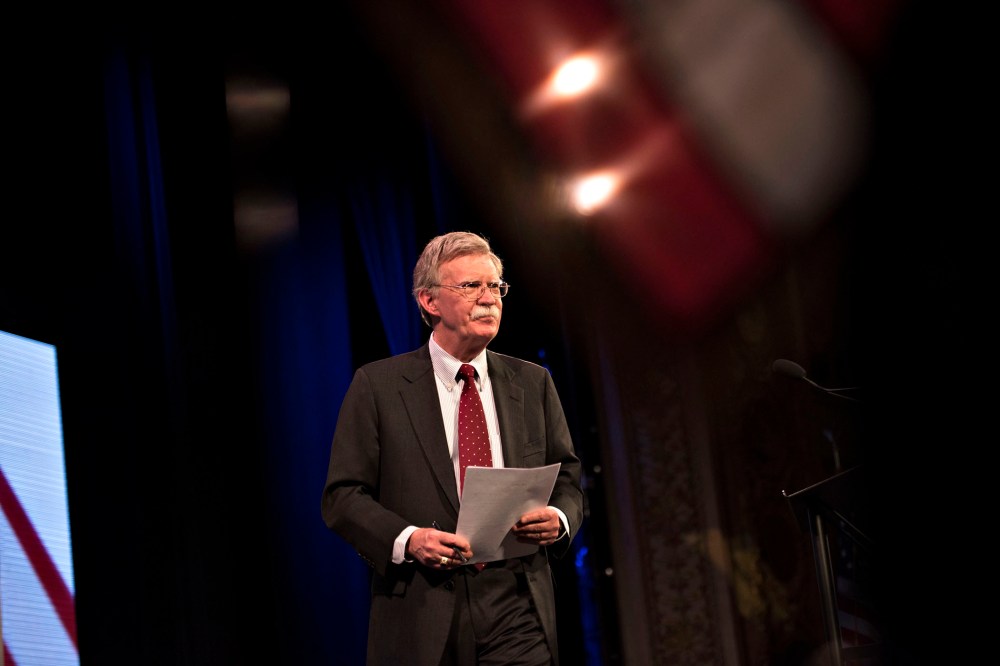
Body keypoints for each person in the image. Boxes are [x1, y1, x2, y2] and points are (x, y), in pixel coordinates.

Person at [321, 231, 584, 665]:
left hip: (516, 600)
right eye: (471, 286)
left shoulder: (533, 382)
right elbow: (343, 497)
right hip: (422, 604)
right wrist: (409, 539)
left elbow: (569, 480)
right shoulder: (379, 386)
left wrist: (558, 518)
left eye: (495, 286)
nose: (489, 298)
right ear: (429, 301)